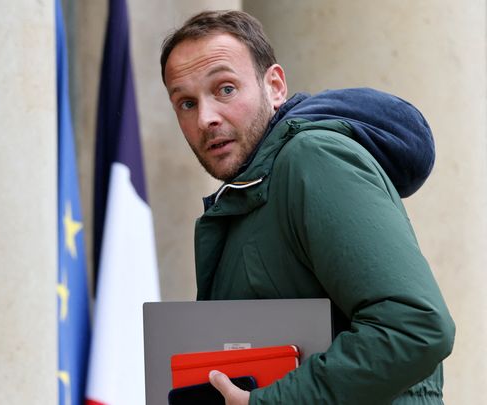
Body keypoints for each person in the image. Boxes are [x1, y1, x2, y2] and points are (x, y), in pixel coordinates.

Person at [160, 10, 455, 404]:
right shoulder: (250, 191)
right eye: (185, 103)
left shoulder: (312, 159)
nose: (206, 118)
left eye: (225, 89)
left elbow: (416, 327)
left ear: (275, 86)